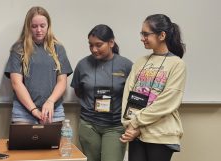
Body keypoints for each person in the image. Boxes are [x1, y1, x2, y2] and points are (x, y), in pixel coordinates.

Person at [120, 14, 187, 161]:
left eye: (145, 34)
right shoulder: (140, 62)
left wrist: (137, 123)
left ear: (162, 35)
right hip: (135, 132)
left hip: (160, 136)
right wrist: (129, 125)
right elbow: (128, 94)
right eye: (141, 34)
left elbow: (168, 102)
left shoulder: (177, 64)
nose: (142, 38)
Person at [71, 24, 133, 161]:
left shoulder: (126, 65)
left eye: (98, 45)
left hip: (115, 127)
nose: (94, 49)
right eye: (90, 45)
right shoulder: (83, 65)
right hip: (89, 125)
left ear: (111, 42)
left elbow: (133, 96)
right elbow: (78, 91)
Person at [4, 6, 73, 124]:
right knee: (23, 142)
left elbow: (62, 82)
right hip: (24, 110)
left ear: (48, 26)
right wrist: (34, 110)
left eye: (42, 26)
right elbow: (16, 83)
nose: (39, 30)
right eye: (34, 26)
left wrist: (50, 102)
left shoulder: (58, 49)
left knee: (54, 142)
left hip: (53, 109)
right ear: (28, 27)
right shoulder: (18, 49)